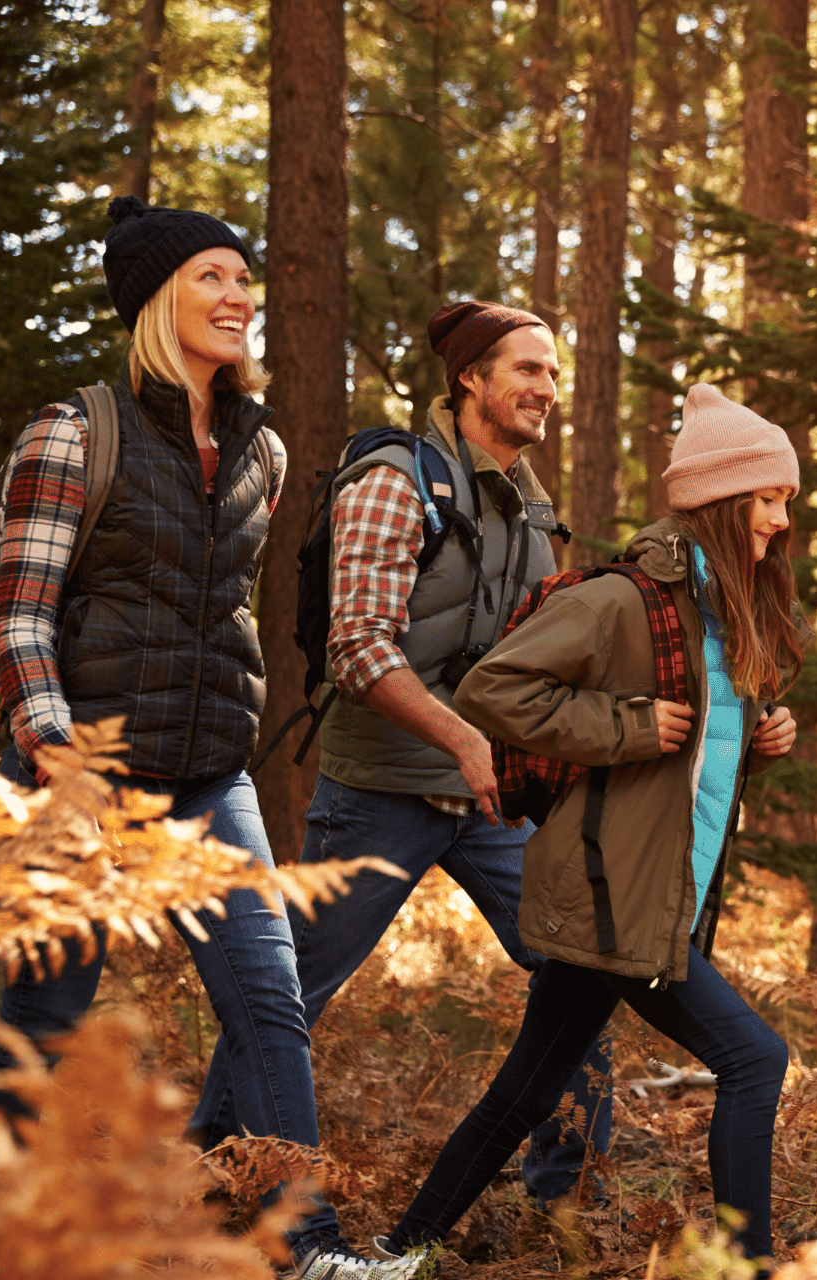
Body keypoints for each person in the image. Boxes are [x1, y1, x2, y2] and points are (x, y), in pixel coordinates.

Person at [0, 196, 425, 1280]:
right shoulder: (75, 430)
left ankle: (307, 1246)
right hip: (78, 772)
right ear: (155, 300)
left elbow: (220, 609)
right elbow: (18, 614)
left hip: (209, 777)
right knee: (45, 1017)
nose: (239, 298)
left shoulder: (261, 452)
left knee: (269, 997)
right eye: (213, 278)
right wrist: (54, 748)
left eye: (245, 280)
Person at [190, 300, 614, 1208]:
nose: (548, 389)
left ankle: (572, 1203)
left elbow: (557, 652)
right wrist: (465, 737)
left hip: (492, 795)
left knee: (581, 966)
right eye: (528, 370)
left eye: (552, 372)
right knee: (292, 994)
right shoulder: (394, 479)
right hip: (381, 785)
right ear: (471, 379)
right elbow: (358, 647)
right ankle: (218, 1172)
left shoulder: (533, 505)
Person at [372, 383, 802, 1267]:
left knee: (526, 1092)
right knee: (755, 1060)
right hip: (613, 894)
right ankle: (749, 1267)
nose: (781, 520)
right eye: (770, 498)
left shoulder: (723, 609)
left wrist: (755, 744)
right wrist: (625, 728)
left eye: (786, 500)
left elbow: (692, 752)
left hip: (644, 888)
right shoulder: (625, 601)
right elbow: (495, 688)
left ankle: (393, 1251)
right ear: (721, 500)